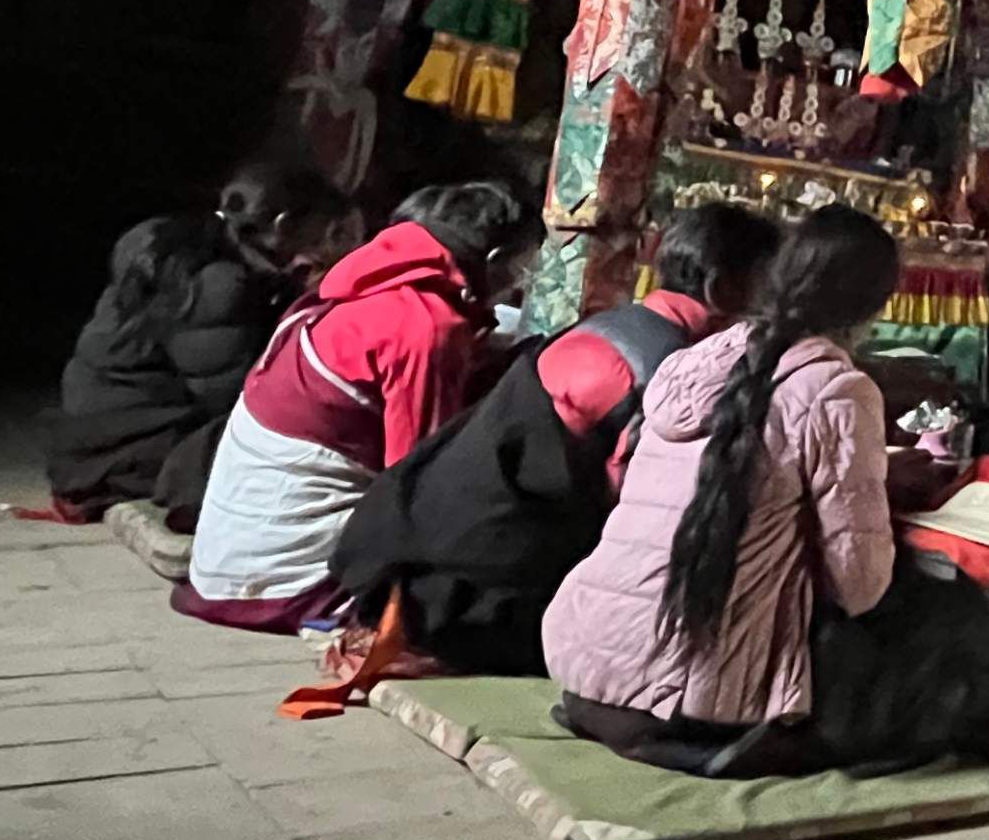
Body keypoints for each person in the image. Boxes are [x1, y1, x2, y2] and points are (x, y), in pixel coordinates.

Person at [545, 207, 989, 775]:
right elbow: (860, 588)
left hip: (583, 660)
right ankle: (786, 740)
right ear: (877, 303)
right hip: (688, 696)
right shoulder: (836, 388)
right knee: (956, 611)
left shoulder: (685, 364)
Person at [322, 202, 781, 675]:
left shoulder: (607, 326)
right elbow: (633, 514)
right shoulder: (670, 373)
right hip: (469, 600)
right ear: (724, 288)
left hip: (408, 558)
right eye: (768, 288)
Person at [174, 181, 532, 631]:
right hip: (281, 579)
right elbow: (413, 478)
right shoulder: (424, 329)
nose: (520, 279)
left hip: (227, 563)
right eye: (520, 266)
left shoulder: (359, 285)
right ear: (495, 261)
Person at [41, 163, 348, 571]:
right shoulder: (218, 282)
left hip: (89, 439)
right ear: (282, 223)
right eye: (322, 233)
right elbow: (234, 397)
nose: (326, 246)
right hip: (128, 453)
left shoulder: (180, 246)